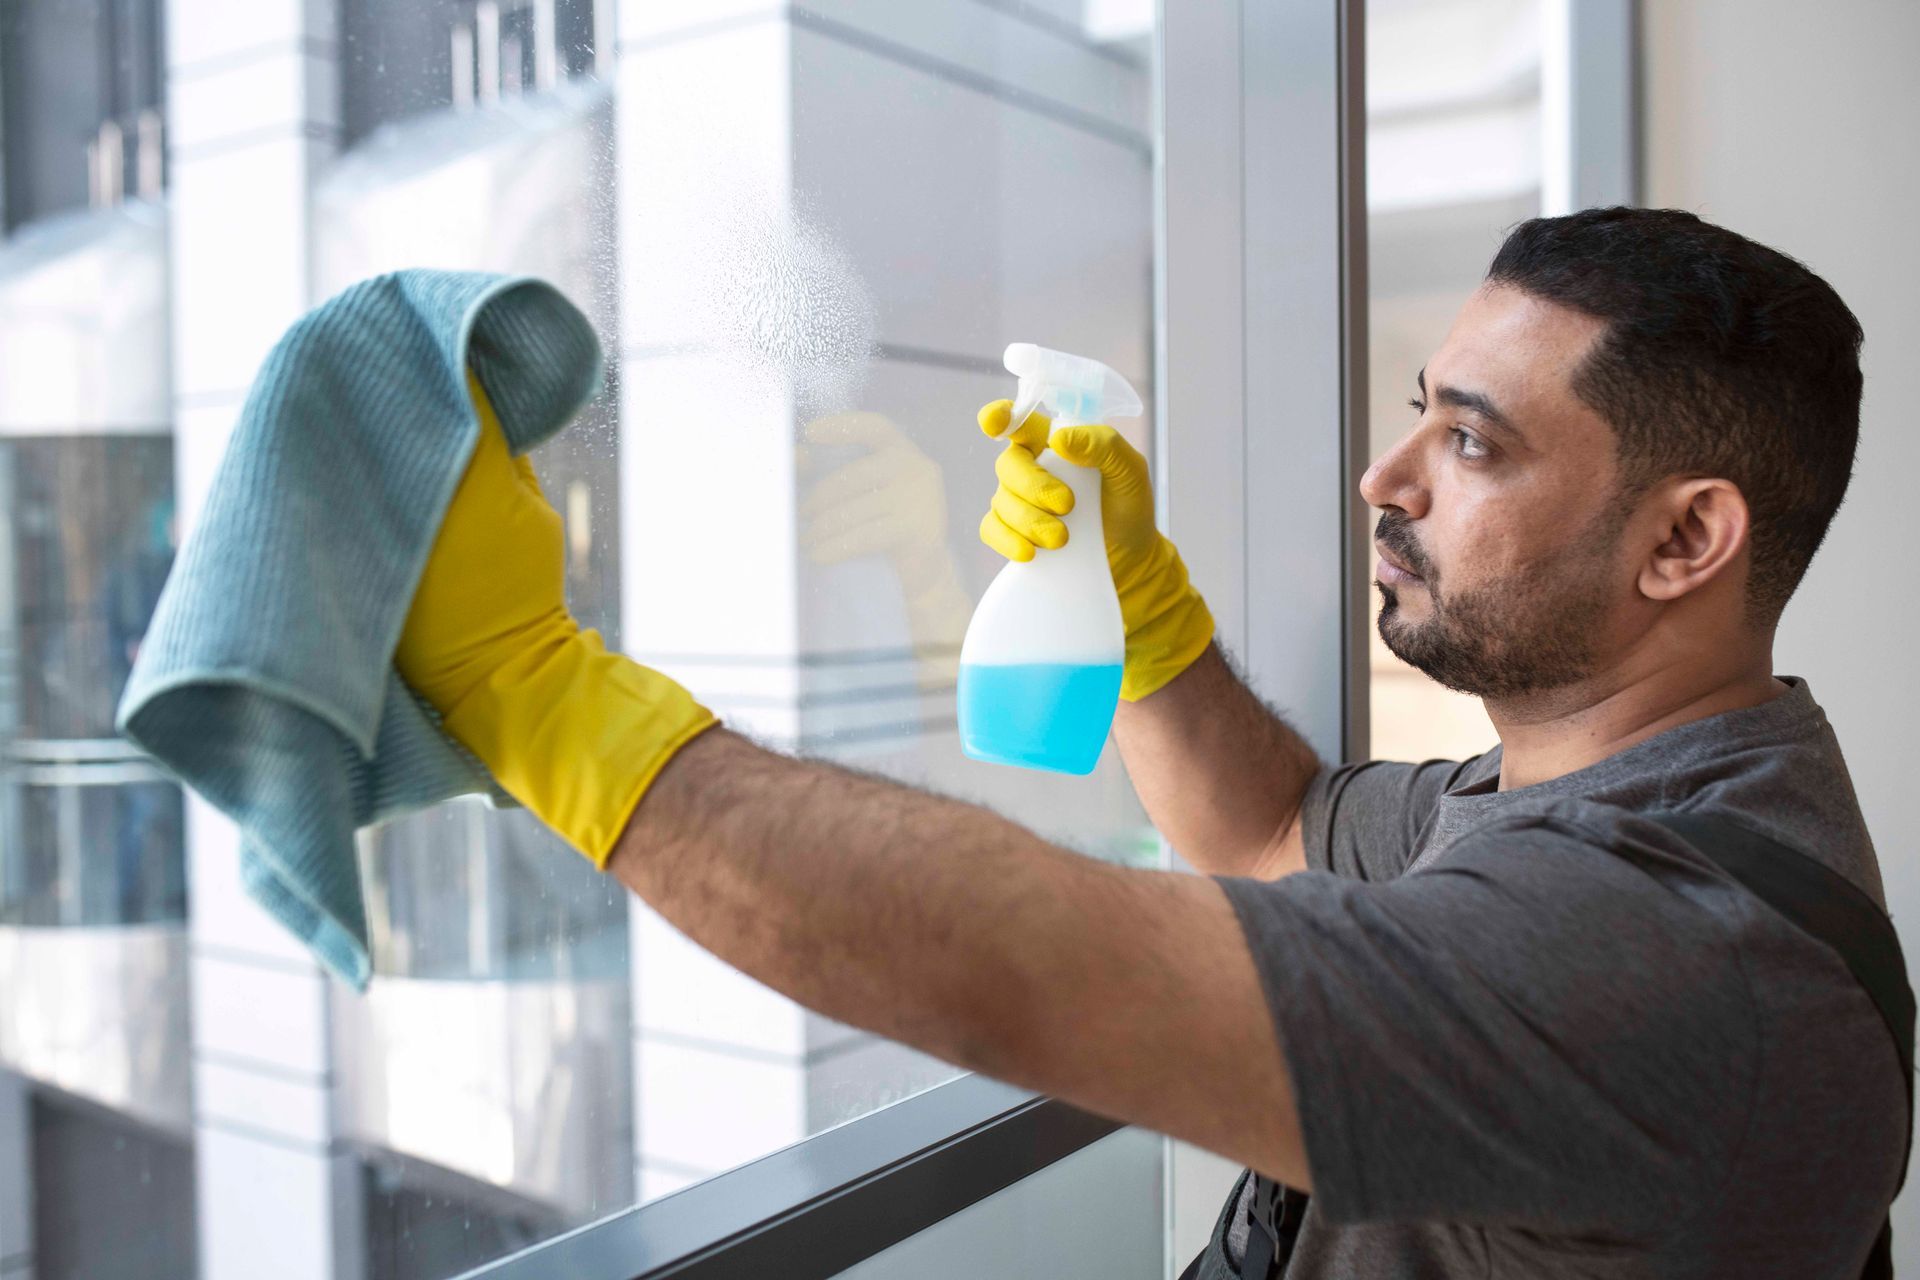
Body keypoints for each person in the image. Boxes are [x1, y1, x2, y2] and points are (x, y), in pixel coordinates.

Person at [392, 207, 1902, 1278]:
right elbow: (1270, 827)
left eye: (1472, 442)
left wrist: (539, 689)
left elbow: (1023, 968)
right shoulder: (1607, 796)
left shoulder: (1668, 950)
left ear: (1687, 539)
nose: (1386, 476)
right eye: (1417, 412)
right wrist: (1139, 606)